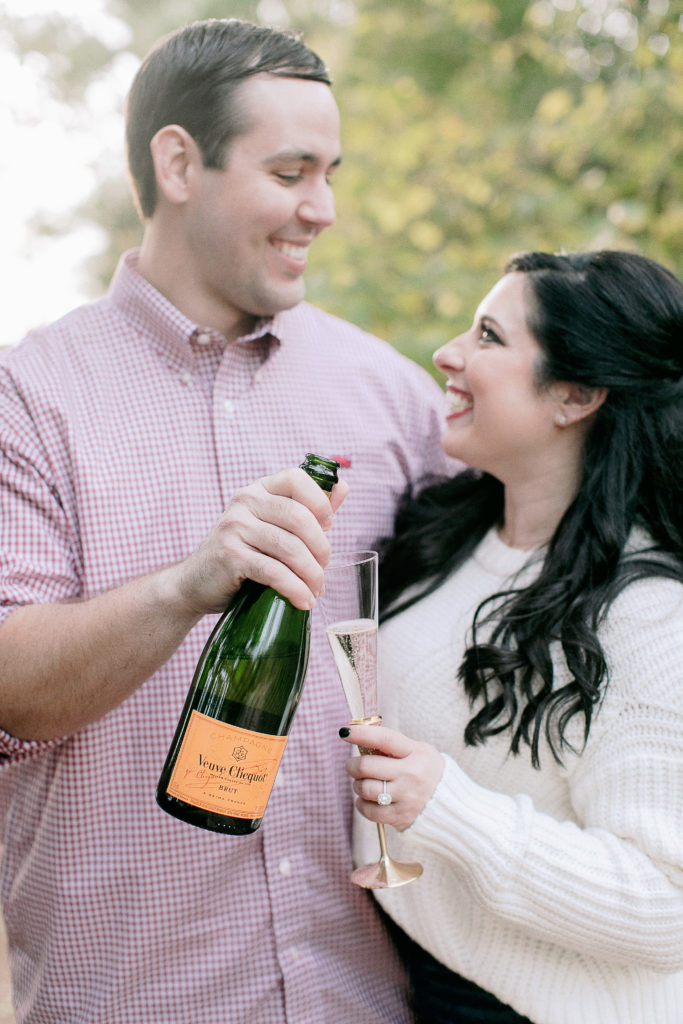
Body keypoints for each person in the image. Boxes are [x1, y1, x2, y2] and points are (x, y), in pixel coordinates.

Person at [0, 19, 454, 1023]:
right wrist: (185, 585)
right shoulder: (26, 399)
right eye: (292, 171)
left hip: (373, 1001)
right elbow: (8, 688)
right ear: (177, 162)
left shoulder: (396, 397)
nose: (323, 209)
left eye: (331, 173)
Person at [341, 249, 683, 1024]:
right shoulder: (451, 537)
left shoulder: (648, 613)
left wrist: (448, 808)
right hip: (415, 982)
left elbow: (667, 907)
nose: (448, 354)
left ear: (575, 394)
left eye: (489, 336)